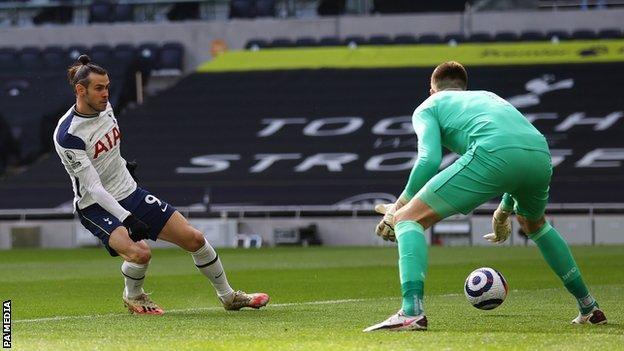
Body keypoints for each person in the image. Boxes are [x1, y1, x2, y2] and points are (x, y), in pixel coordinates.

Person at [364, 61, 606, 331]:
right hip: (540, 153)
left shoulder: (428, 106)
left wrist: (397, 207)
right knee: (535, 224)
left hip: (493, 152)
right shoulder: (489, 97)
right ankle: (589, 307)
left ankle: (411, 312)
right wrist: (503, 212)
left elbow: (429, 159)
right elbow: (515, 148)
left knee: (408, 219)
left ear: (432, 90)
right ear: (463, 88)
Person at [53, 55, 269, 315]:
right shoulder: (68, 135)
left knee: (195, 238)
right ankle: (133, 296)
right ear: (80, 90)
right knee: (140, 253)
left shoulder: (106, 108)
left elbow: (109, 148)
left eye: (108, 86)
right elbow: (94, 187)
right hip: (96, 206)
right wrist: (128, 219)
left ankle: (229, 296)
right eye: (99, 88)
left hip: (129, 191)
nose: (105, 94)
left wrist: (121, 164)